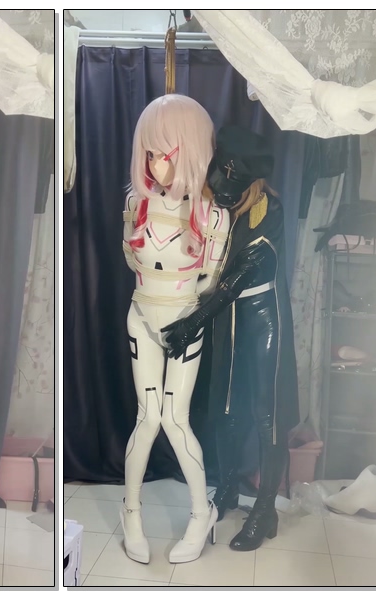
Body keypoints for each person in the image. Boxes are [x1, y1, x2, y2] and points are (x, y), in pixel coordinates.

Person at [162, 124, 300, 552]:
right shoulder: (215, 209)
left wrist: (194, 321)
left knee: (266, 415)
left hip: (262, 320)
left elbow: (239, 276)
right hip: (228, 320)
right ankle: (226, 489)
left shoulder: (269, 211)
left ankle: (265, 510)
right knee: (225, 410)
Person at [120, 94, 229, 564]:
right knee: (147, 418)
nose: (155, 164)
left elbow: (209, 285)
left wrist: (185, 316)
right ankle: (131, 513)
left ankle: (201, 513)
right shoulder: (136, 204)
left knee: (174, 419)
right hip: (141, 317)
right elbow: (132, 260)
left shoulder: (213, 216)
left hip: (186, 324)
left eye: (165, 153)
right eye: (149, 153)